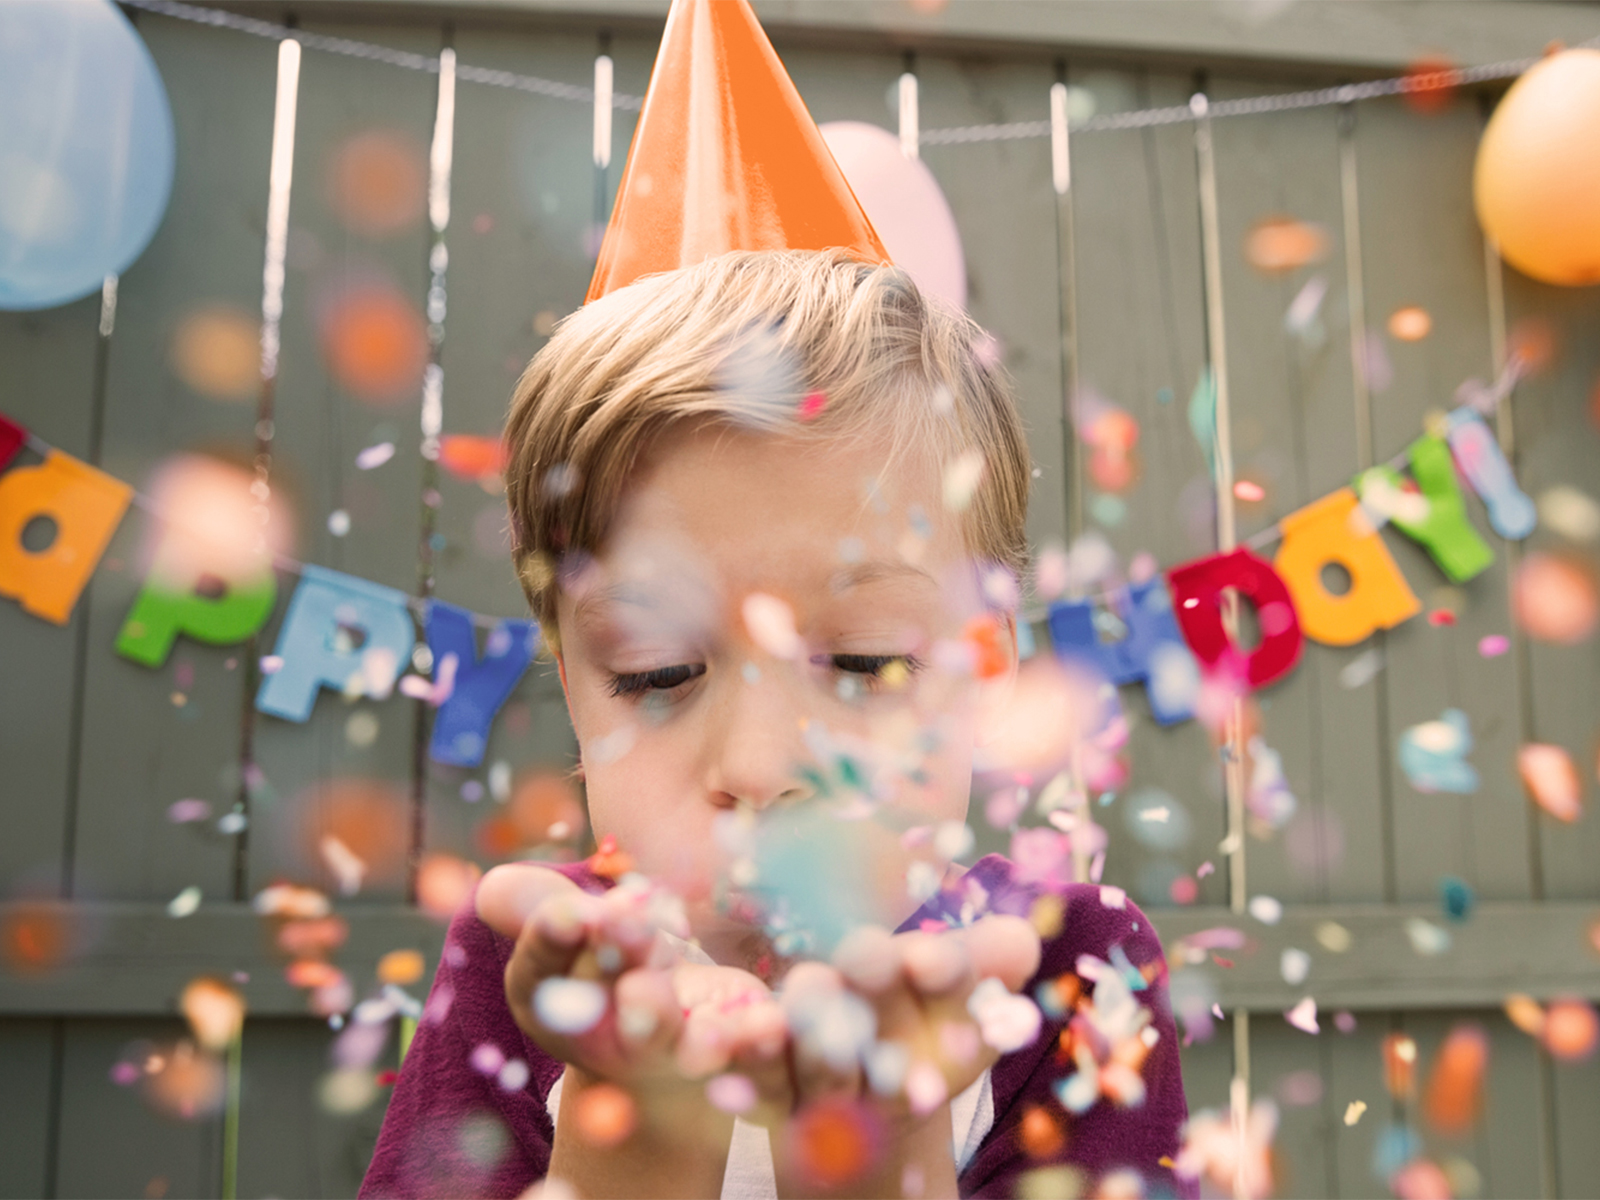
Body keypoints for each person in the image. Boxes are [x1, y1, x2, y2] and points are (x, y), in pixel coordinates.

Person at [363, 4, 1188, 1198]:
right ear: (571, 677)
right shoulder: (532, 968)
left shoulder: (1072, 972)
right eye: (653, 671)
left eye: (862, 662)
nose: (760, 765)